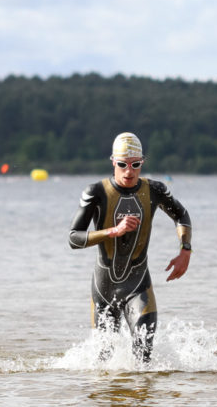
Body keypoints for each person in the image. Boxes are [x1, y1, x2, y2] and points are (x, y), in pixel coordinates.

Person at [68, 132, 192, 362]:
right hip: (104, 289)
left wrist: (185, 250)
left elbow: (181, 215)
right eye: (123, 164)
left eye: (135, 164)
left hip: (138, 286)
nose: (129, 171)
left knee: (144, 355)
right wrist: (112, 231)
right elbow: (73, 238)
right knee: (104, 360)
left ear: (142, 163)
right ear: (113, 162)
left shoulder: (155, 190)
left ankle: (140, 397)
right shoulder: (96, 192)